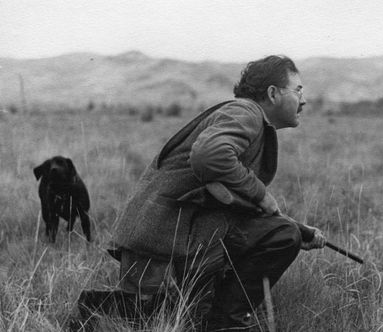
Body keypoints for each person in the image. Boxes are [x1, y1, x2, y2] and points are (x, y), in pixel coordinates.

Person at [76, 55, 326, 331]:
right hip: (167, 235)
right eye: (298, 90)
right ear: (273, 93)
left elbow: (229, 194)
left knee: (175, 315)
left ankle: (107, 308)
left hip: (177, 233)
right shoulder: (246, 112)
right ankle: (224, 323)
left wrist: (296, 228)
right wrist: (262, 195)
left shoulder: (248, 118)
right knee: (280, 238)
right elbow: (209, 156)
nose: (303, 100)